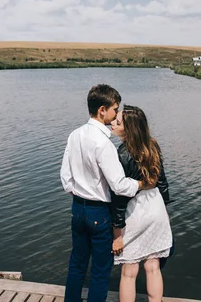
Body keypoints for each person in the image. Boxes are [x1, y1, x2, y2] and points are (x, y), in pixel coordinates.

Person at [60, 85, 151, 302]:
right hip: (99, 213)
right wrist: (141, 184)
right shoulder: (104, 144)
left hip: (77, 209)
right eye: (114, 109)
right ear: (102, 110)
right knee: (100, 271)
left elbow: (65, 178)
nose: (115, 115)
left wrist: (80, 193)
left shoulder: (75, 135)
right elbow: (119, 185)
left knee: (77, 264)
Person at [110, 105, 173, 302]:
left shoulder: (121, 154)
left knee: (129, 271)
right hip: (155, 207)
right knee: (153, 267)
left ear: (128, 130)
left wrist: (117, 233)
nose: (112, 122)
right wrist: (165, 211)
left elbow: (120, 198)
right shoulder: (152, 146)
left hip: (135, 212)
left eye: (117, 122)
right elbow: (162, 182)